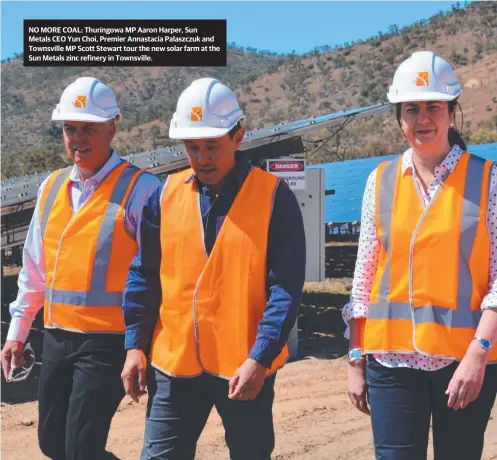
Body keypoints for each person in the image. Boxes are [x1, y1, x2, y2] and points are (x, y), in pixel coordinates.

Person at [120, 77, 306, 460]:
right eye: (192, 147)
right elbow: (144, 274)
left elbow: (284, 289)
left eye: (211, 146)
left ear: (238, 136)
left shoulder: (274, 198)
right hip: (175, 363)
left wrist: (261, 357)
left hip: (244, 364)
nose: (202, 157)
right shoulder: (164, 196)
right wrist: (135, 344)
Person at [344, 51, 497, 460]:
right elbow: (364, 277)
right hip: (391, 363)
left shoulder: (487, 179)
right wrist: (356, 357)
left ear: (451, 112)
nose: (423, 118)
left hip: (463, 362)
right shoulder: (380, 181)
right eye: (412, 109)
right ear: (399, 117)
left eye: (434, 107)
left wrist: (479, 354)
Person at [1, 77, 161, 460]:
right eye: (70, 129)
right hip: (57, 336)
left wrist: (139, 345)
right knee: (51, 444)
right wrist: (18, 332)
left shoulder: (143, 190)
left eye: (88, 128)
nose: (78, 138)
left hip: (108, 342)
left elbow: (160, 276)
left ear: (113, 126)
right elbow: (34, 269)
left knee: (80, 449)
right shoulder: (52, 187)